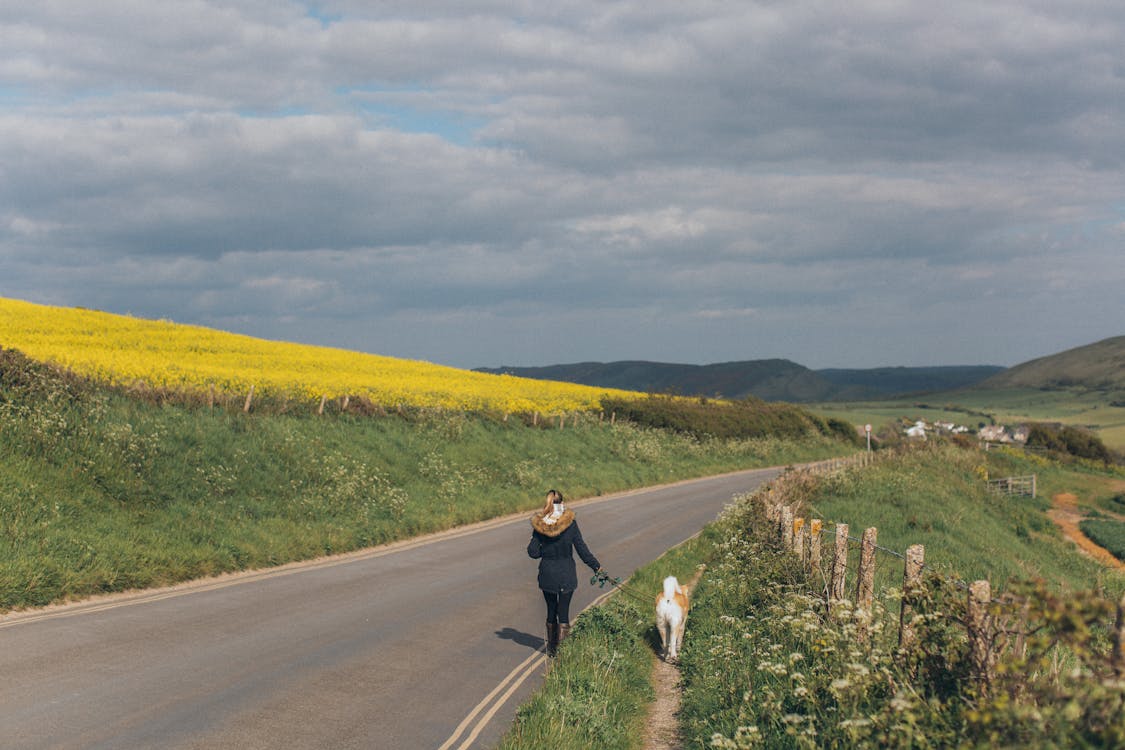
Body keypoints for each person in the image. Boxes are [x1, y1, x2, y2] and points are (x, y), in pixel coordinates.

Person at [527, 489, 602, 657]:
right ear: (562, 503)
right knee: (564, 613)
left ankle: (552, 650)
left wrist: (544, 552)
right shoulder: (570, 523)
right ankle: (563, 652)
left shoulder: (541, 525)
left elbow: (532, 552)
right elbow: (582, 549)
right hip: (566, 573)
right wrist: (596, 567)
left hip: (547, 574)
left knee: (551, 610)